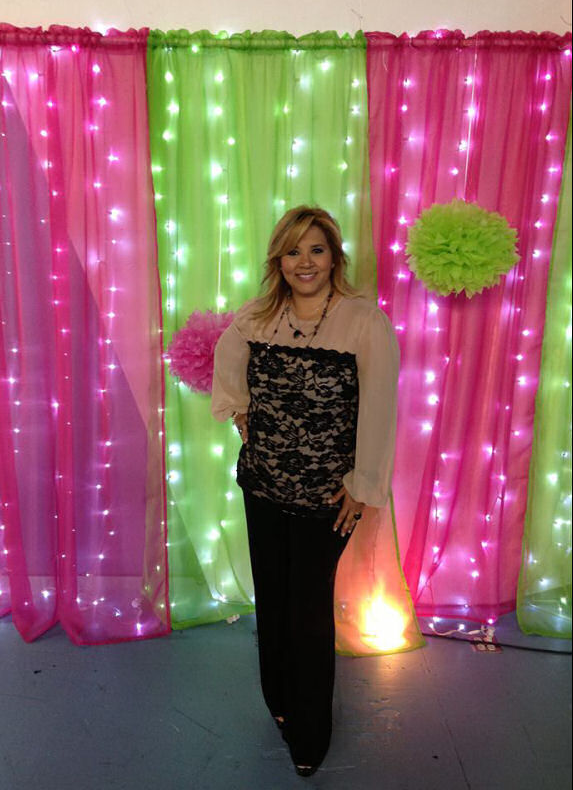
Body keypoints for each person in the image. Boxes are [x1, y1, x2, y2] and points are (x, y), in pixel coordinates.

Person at [210, 205, 400, 777]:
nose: (305, 262)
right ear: (279, 260)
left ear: (334, 257)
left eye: (316, 249)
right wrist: (238, 408)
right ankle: (280, 701)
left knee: (309, 610)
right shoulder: (258, 316)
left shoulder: (364, 321)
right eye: (293, 251)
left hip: (327, 498)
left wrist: (362, 486)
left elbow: (380, 409)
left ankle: (310, 732)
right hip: (263, 484)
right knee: (273, 598)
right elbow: (228, 359)